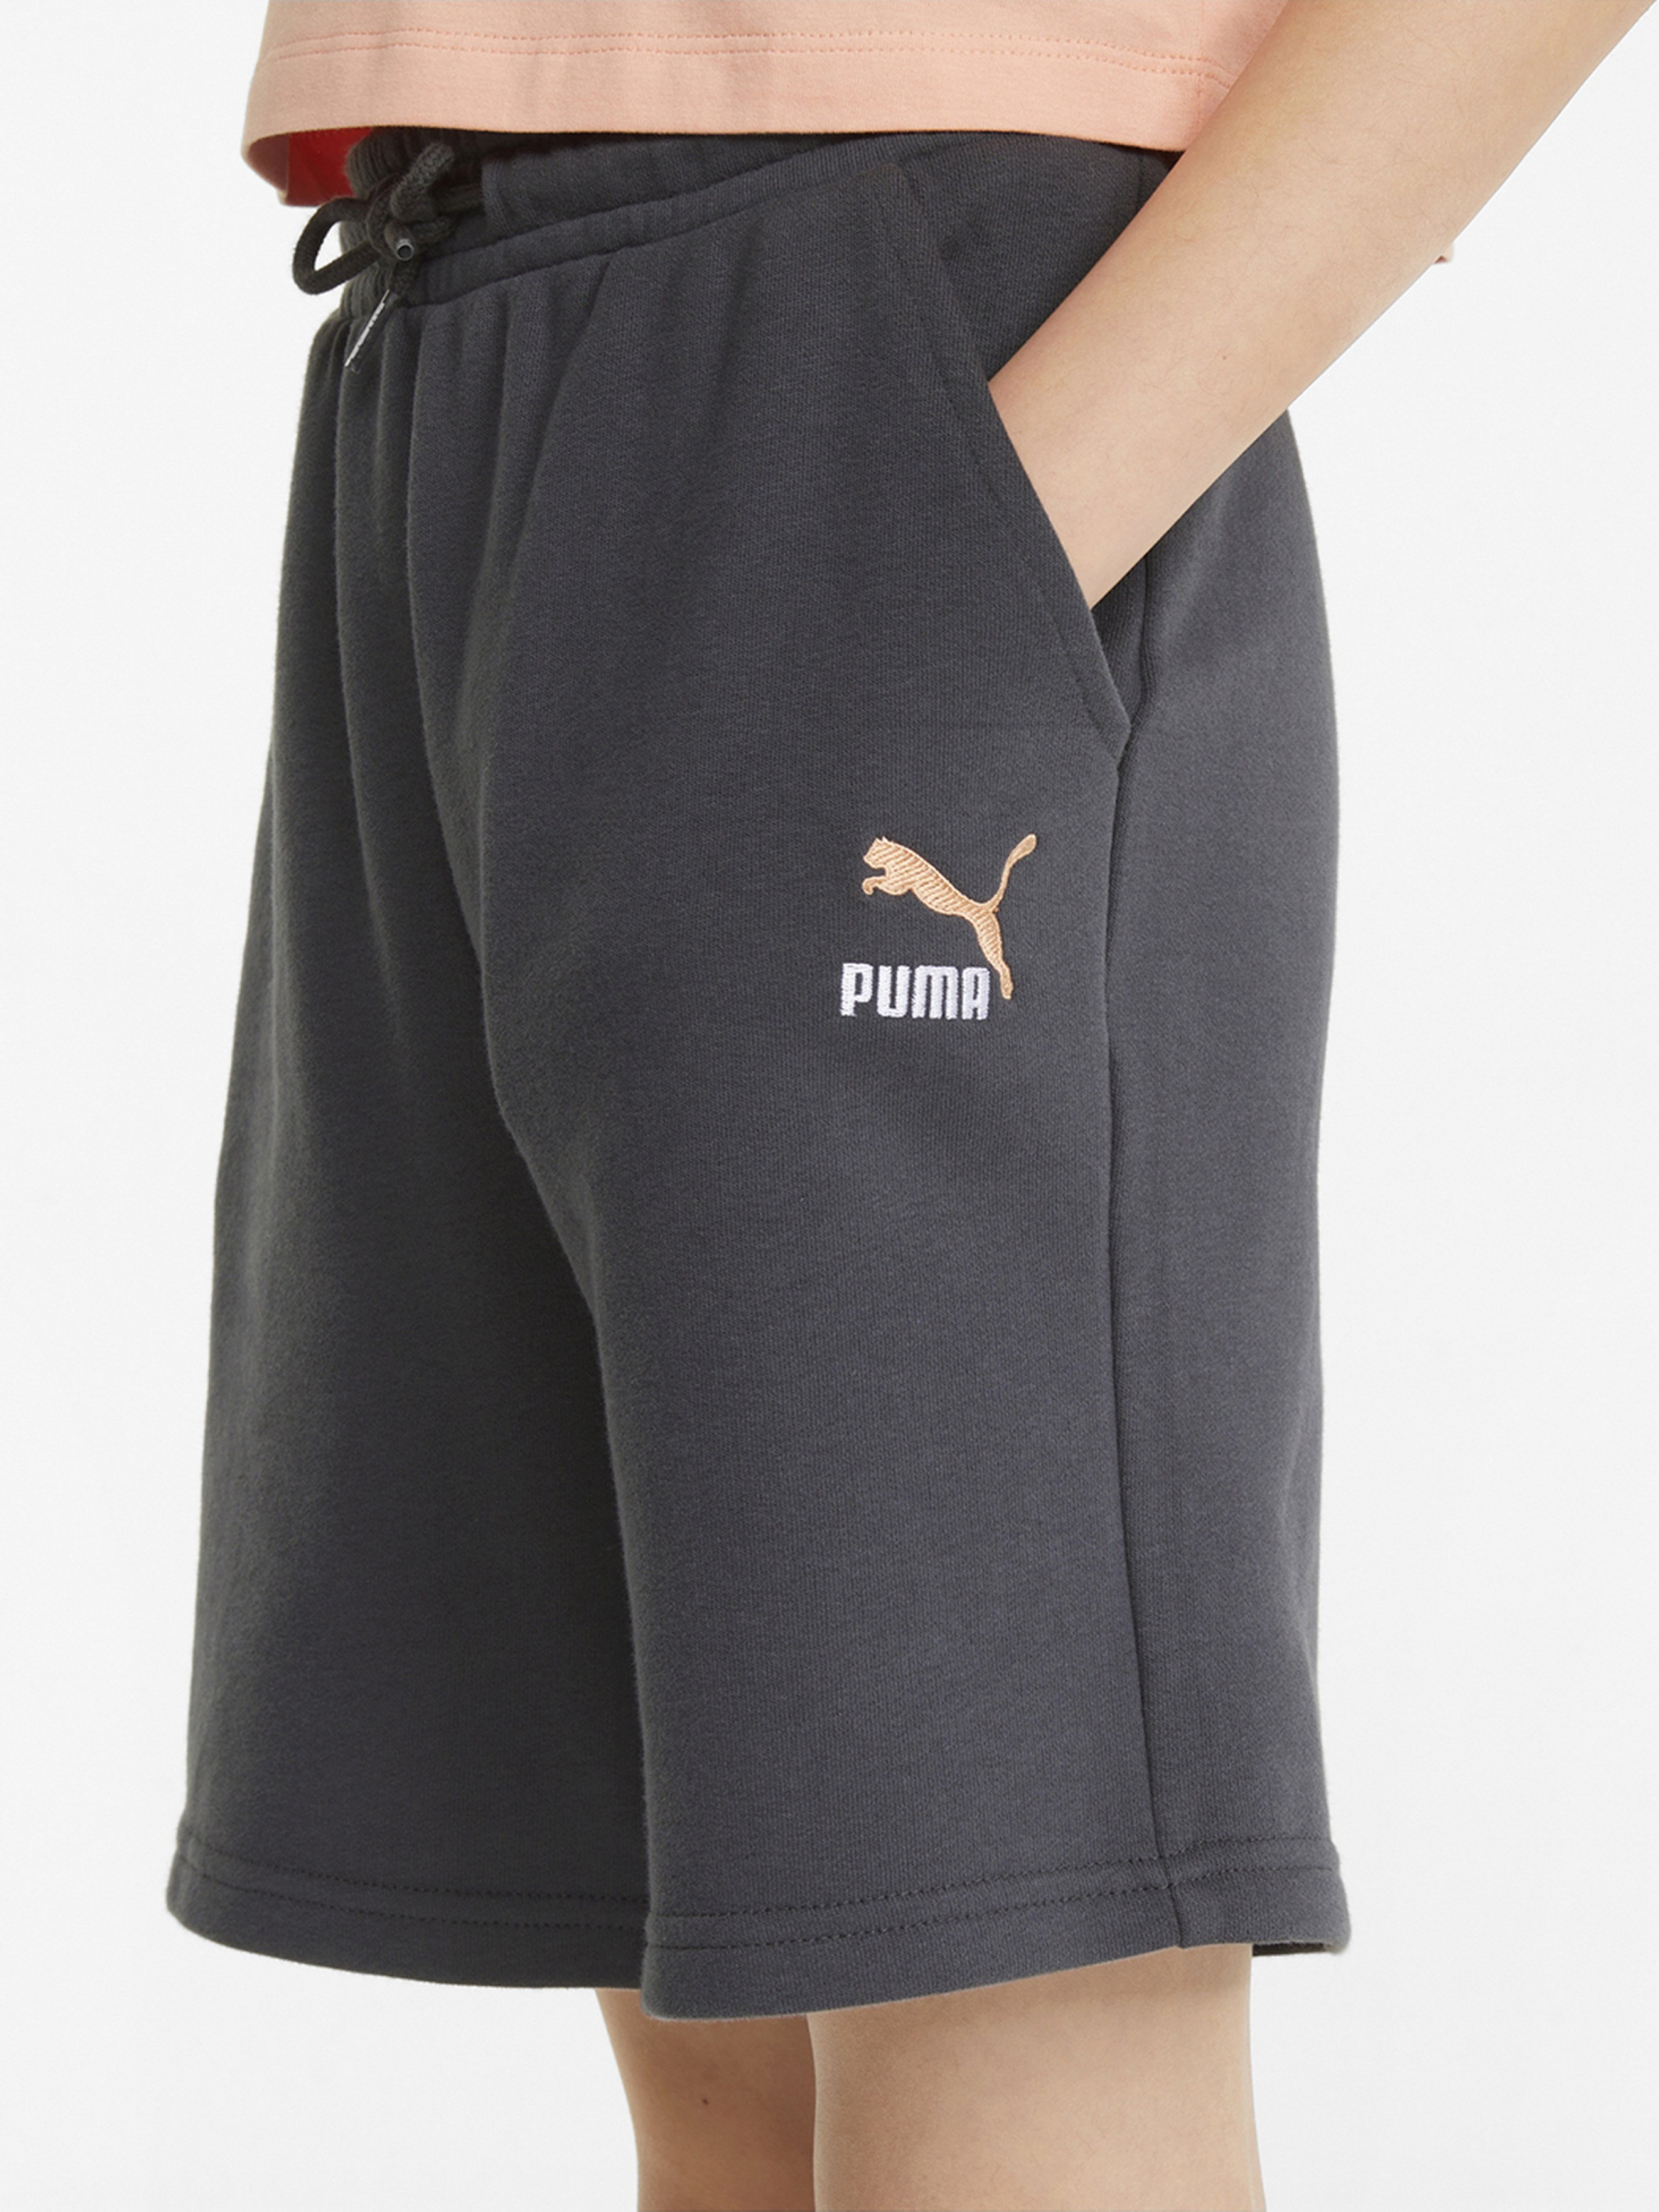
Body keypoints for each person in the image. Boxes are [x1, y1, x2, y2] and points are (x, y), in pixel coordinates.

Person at [165, 5, 1652, 2207]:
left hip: (906, 313)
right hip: (451, 325)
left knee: (1002, 1956)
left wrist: (997, 524)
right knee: (726, 2037)